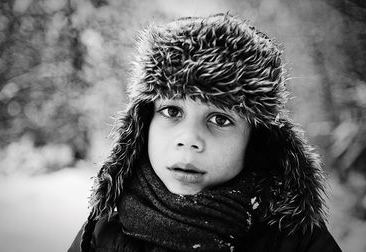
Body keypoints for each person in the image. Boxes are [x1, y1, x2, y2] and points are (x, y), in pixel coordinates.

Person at [68, 13, 342, 252]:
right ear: (143, 124)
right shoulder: (101, 233)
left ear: (255, 139)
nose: (189, 139)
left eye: (220, 119)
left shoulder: (296, 242)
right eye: (172, 112)